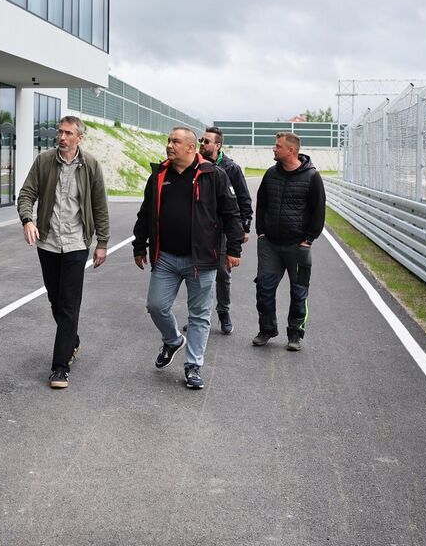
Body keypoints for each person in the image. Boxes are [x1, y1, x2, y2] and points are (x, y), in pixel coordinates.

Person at [133, 127, 242, 390]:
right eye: (169, 140)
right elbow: (146, 213)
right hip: (166, 258)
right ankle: (172, 340)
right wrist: (139, 245)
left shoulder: (213, 175)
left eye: (175, 142)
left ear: (191, 148)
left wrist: (234, 249)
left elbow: (231, 214)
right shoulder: (159, 175)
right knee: (156, 306)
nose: (169, 145)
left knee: (199, 315)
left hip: (201, 260)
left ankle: (193, 366)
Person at [17, 115, 110, 389]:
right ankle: (72, 340)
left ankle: (60, 367)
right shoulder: (44, 162)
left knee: (69, 304)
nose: (62, 137)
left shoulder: (90, 165)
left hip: (76, 244)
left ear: (79, 137)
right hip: (47, 242)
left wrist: (102, 242)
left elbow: (100, 206)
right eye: (60, 132)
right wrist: (27, 220)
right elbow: (26, 194)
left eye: (68, 133)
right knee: (55, 301)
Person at [252, 131, 326, 352]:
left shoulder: (312, 177)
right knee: (264, 289)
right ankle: (267, 329)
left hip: (298, 247)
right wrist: (261, 232)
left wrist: (309, 239)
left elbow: (318, 211)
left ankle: (295, 334)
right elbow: (261, 204)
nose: (274, 149)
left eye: (278, 146)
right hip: (270, 245)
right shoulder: (270, 174)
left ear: (291, 150)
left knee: (299, 292)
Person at [199, 126, 253, 334]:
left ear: (218, 145)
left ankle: (224, 313)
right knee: (196, 273)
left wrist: (244, 228)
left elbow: (244, 199)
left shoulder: (231, 168)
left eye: (206, 141)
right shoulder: (195, 164)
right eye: (201, 140)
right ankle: (199, 315)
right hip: (200, 228)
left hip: (223, 228)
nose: (202, 144)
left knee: (222, 273)